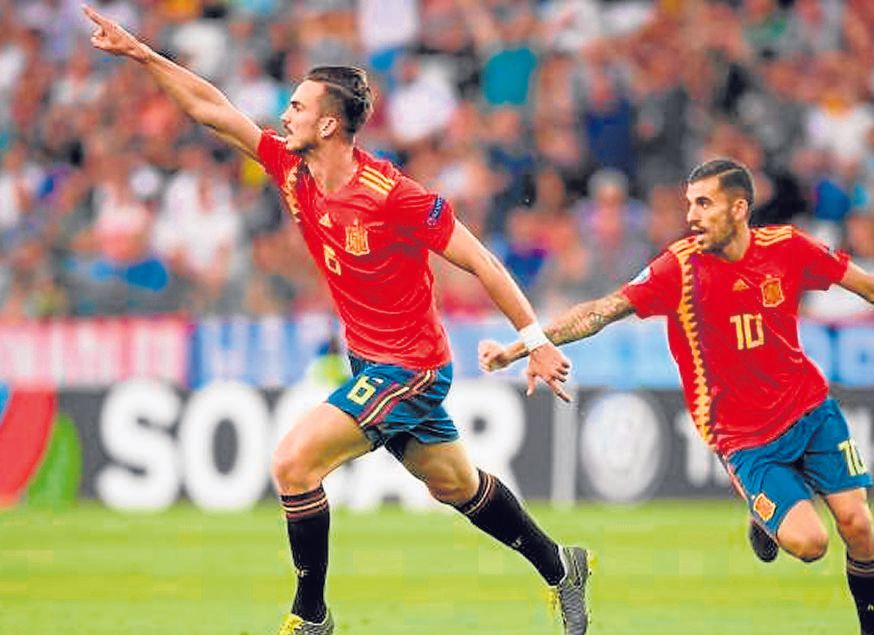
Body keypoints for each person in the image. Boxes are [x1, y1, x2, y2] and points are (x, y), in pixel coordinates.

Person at [82, 6, 592, 635]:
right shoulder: (293, 169)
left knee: (294, 463)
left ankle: (311, 617)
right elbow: (210, 109)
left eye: (296, 106)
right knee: (456, 487)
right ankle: (562, 568)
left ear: (328, 123)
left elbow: (482, 260)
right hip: (369, 359)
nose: (284, 114)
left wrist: (535, 341)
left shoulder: (393, 195)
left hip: (410, 367)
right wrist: (141, 53)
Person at [480, 159, 874, 635]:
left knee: (858, 524)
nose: (691, 216)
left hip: (811, 409)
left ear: (738, 207)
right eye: (688, 204)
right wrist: (527, 344)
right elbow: (601, 310)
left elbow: (871, 288)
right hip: (744, 438)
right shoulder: (677, 269)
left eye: (703, 203)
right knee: (811, 545)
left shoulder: (787, 248)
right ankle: (761, 511)